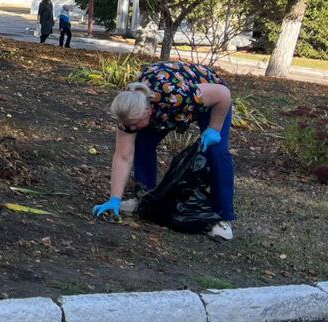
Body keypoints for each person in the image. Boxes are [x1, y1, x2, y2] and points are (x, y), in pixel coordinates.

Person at [91, 60, 236, 240]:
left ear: (148, 111)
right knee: (142, 143)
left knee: (217, 152)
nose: (131, 128)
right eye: (128, 124)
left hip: (212, 99)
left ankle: (223, 218)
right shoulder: (129, 108)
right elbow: (123, 156)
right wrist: (115, 199)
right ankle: (144, 198)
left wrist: (214, 128)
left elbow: (224, 94)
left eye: (135, 123)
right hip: (166, 105)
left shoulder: (176, 94)